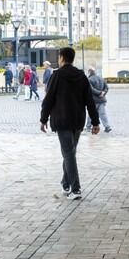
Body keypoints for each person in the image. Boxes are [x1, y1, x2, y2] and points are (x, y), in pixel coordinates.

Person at [38, 47, 100, 201]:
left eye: (59, 57)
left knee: (68, 153)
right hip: (78, 120)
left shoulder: (57, 76)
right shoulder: (81, 76)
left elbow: (49, 99)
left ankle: (75, 188)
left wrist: (43, 119)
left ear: (62, 58)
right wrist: (95, 121)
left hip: (62, 120)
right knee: (70, 152)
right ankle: (65, 183)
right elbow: (89, 101)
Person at [87, 68, 111, 132]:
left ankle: (88, 127)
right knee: (103, 114)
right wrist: (103, 93)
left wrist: (99, 93)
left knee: (91, 114)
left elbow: (91, 89)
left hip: (94, 100)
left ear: (89, 72)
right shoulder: (101, 78)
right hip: (102, 99)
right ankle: (107, 127)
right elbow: (107, 87)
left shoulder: (89, 79)